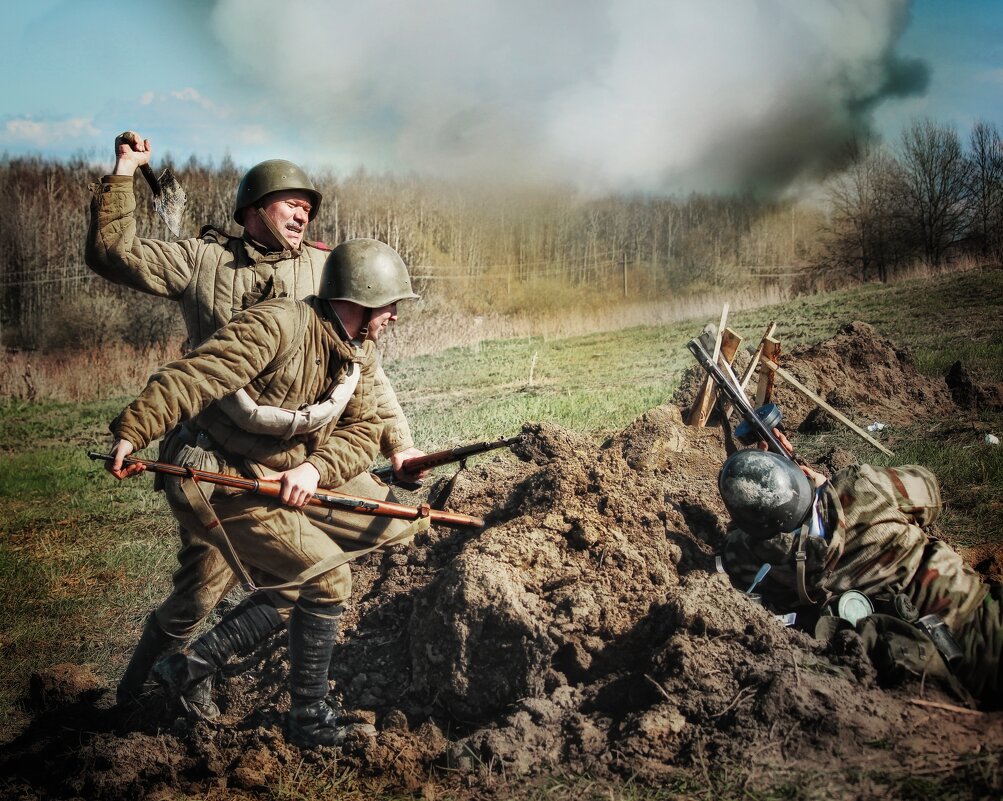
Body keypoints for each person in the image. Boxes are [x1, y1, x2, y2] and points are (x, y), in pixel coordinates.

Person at [85, 132, 426, 712]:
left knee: (382, 536)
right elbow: (111, 253)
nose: (303, 211)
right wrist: (124, 174)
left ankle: (276, 659)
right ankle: (135, 700)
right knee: (199, 594)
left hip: (303, 456)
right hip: (219, 453)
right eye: (290, 201)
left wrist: (401, 445)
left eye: (309, 206)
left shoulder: (326, 268)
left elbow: (364, 373)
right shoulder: (203, 260)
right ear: (253, 208)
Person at [716, 447, 1002, 707]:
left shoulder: (751, 559)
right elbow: (930, 491)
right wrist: (826, 486)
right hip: (981, 616)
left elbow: (737, 539)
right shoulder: (861, 484)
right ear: (798, 476)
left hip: (924, 678)